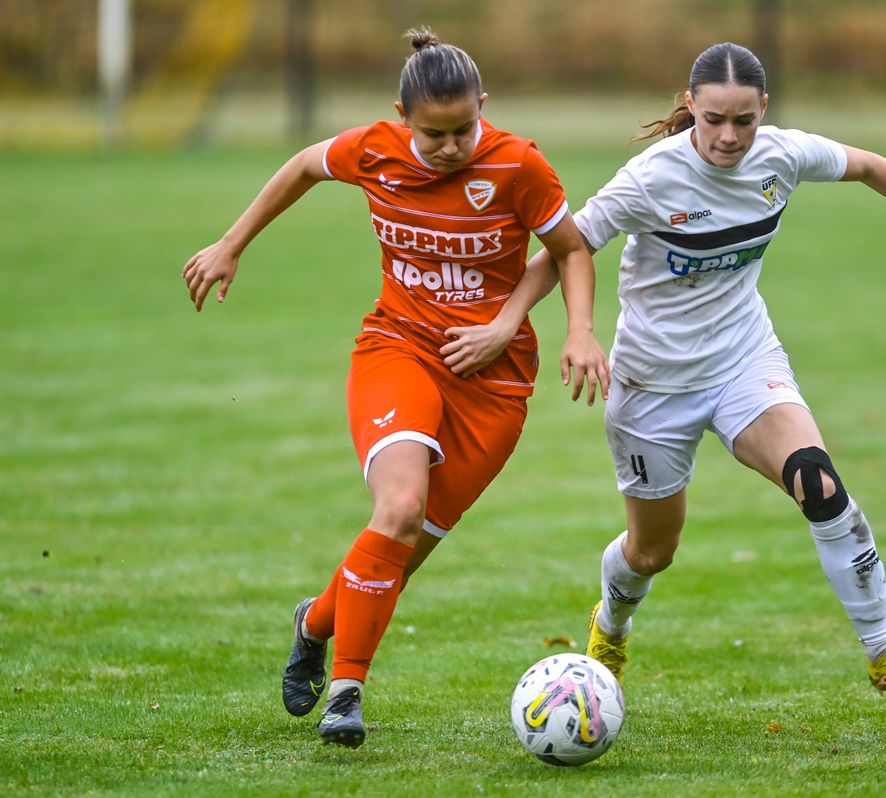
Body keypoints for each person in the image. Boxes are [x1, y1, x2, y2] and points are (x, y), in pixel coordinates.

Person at [527, 42, 886, 704]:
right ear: (690, 105)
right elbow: (566, 245)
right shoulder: (648, 179)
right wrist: (540, 328)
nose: (729, 137)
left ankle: (883, 651)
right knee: (651, 553)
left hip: (742, 360)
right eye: (715, 119)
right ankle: (610, 626)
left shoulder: (783, 154)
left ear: (764, 110)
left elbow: (868, 165)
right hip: (652, 388)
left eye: (744, 121)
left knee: (819, 482)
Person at [181, 28, 609, 747]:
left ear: (484, 105)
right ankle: (346, 693)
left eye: (463, 128)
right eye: (433, 133)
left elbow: (569, 251)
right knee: (400, 508)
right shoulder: (372, 148)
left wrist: (579, 330)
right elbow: (303, 166)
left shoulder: (518, 165)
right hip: (398, 349)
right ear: (401, 117)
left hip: (494, 383)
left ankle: (314, 622)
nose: (450, 147)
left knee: (400, 551)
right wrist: (231, 242)